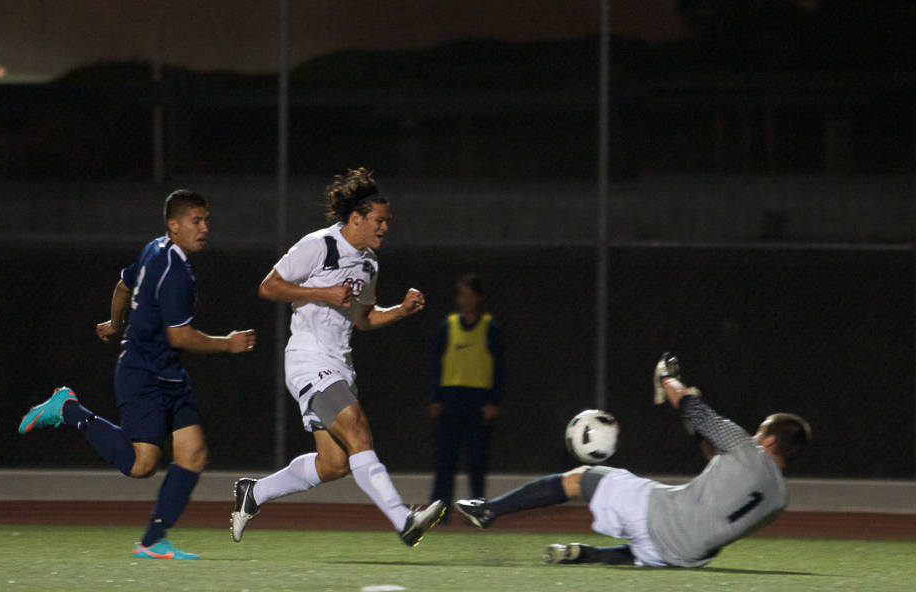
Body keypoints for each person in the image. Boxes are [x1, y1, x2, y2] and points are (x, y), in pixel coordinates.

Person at [18, 190, 256, 560]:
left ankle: (151, 542)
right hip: (143, 373)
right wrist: (228, 344)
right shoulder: (176, 271)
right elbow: (179, 335)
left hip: (169, 374)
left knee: (192, 455)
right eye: (196, 221)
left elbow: (123, 286)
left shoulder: (154, 249)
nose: (205, 227)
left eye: (207, 220)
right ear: (173, 225)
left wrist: (115, 323)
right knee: (142, 465)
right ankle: (68, 409)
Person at [231, 168, 446, 546]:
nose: (384, 228)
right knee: (359, 430)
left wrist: (402, 310)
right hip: (308, 359)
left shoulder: (368, 264)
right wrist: (324, 294)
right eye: (379, 221)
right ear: (357, 217)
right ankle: (403, 521)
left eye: (387, 222)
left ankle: (255, 493)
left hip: (339, 365)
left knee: (334, 465)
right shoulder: (318, 245)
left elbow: (363, 318)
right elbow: (269, 287)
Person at [455, 354, 810, 568]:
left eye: (760, 430)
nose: (754, 435)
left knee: (582, 477)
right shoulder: (779, 500)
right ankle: (588, 555)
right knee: (664, 535)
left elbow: (693, 407)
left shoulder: (747, 451)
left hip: (660, 521)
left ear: (771, 439)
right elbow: (720, 468)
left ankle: (490, 510)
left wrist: (668, 378)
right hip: (686, 558)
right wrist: (696, 429)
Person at [426, 273, 506, 517]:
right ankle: (439, 513)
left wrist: (495, 400)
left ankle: (477, 513)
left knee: (477, 464)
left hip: (479, 403)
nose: (466, 299)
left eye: (471, 294)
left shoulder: (490, 328)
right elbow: (435, 365)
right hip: (450, 401)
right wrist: (434, 398)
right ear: (456, 298)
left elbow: (500, 367)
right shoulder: (446, 327)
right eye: (462, 294)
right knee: (444, 463)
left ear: (479, 297)